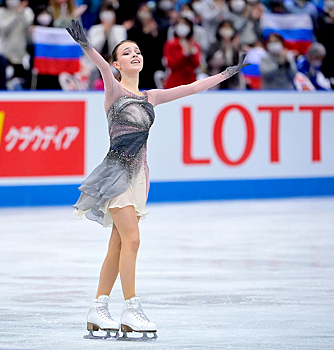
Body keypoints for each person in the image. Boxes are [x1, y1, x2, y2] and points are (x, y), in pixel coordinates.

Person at [66, 19, 247, 341]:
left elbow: (190, 88)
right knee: (132, 240)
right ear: (117, 63)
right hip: (116, 173)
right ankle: (131, 308)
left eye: (137, 51)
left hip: (140, 177)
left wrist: (225, 74)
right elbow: (100, 67)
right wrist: (86, 46)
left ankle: (99, 306)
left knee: (119, 243)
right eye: (126, 52)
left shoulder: (152, 96)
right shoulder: (114, 90)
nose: (134, 55)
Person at [163, 16, 201, 88]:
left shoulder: (194, 44)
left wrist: (191, 54)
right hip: (175, 81)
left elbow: (197, 63)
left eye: (185, 24)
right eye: (179, 24)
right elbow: (170, 64)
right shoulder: (170, 44)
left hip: (190, 81)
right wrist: (183, 55)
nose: (182, 26)